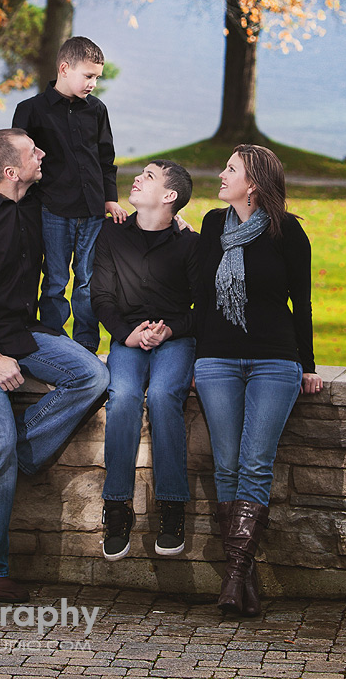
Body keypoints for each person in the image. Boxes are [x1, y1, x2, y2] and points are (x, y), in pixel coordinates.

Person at [0, 127, 110, 604]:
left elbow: (83, 194)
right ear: (10, 171)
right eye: (35, 151)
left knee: (93, 374)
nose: (43, 154)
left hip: (23, 331)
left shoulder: (32, 206)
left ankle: (3, 459)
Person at [193, 144, 323, 618]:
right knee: (226, 464)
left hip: (273, 361)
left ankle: (232, 577)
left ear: (253, 184)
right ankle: (240, 578)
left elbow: (301, 305)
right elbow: (200, 298)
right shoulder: (212, 224)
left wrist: (307, 365)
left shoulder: (288, 233)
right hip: (217, 362)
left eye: (231, 169)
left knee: (253, 463)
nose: (221, 174)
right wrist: (196, 357)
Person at [91, 159, 198, 561]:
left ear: (169, 197)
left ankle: (172, 508)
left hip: (175, 337)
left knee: (166, 396)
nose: (136, 178)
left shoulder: (191, 244)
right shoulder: (112, 234)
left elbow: (203, 308)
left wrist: (169, 330)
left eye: (148, 177)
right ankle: (117, 507)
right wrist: (127, 334)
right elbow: (100, 295)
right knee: (122, 397)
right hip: (128, 337)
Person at [12, 35, 128, 353]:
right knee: (55, 279)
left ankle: (86, 342)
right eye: (88, 76)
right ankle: (53, 339)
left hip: (92, 211)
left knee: (88, 279)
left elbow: (106, 158)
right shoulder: (31, 111)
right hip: (53, 210)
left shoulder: (97, 110)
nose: (93, 83)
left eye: (96, 78)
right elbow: (19, 158)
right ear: (65, 68)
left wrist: (110, 197)